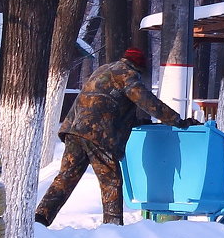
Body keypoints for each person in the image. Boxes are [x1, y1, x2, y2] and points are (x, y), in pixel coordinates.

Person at [35, 48, 194, 226]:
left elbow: (107, 103)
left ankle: (40, 218)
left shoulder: (104, 69)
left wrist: (137, 121)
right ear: (138, 66)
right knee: (111, 181)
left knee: (66, 177)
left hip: (74, 130)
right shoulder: (127, 74)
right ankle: (112, 227)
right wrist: (177, 120)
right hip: (98, 134)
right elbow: (148, 102)